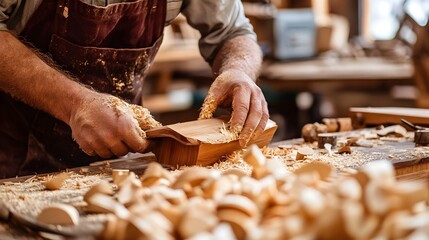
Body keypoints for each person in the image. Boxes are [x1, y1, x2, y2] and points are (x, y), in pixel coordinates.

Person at [0, 0, 269, 178]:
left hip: (115, 162)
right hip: (11, 156)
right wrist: (75, 104)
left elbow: (234, 32)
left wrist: (239, 71)